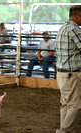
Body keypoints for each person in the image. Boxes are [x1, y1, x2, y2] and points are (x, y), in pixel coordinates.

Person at [55, 5, 81, 133]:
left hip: (62, 73)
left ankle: (63, 129)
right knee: (76, 105)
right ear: (78, 16)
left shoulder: (62, 29)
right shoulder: (74, 29)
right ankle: (63, 131)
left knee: (66, 104)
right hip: (72, 73)